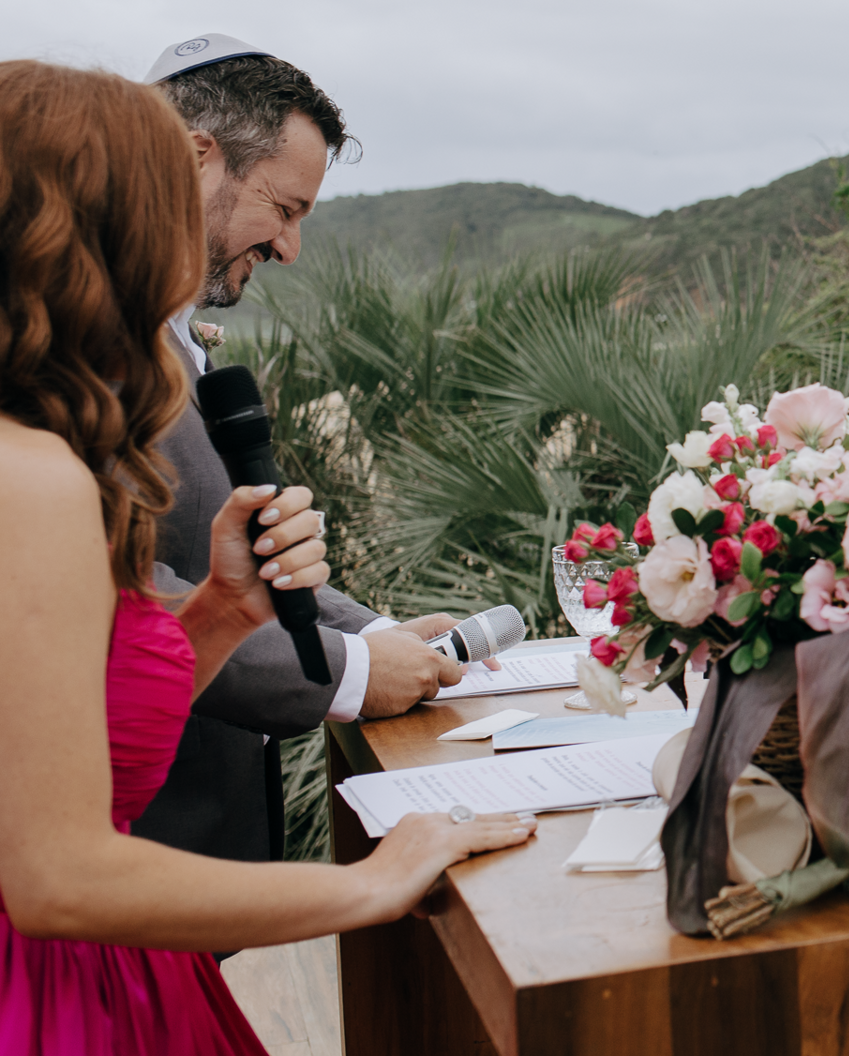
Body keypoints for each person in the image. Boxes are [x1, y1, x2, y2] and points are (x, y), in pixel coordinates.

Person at [0, 60, 534, 1054]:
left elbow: (77, 721)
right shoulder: (28, 479)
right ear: (90, 227)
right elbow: (52, 875)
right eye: (163, 198)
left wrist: (219, 610)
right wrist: (373, 879)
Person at [132, 35, 480, 866]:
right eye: (284, 210)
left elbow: (235, 558)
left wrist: (387, 636)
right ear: (193, 159)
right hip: (130, 842)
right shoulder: (76, 344)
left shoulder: (173, 333)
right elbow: (122, 586)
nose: (289, 248)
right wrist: (350, 672)